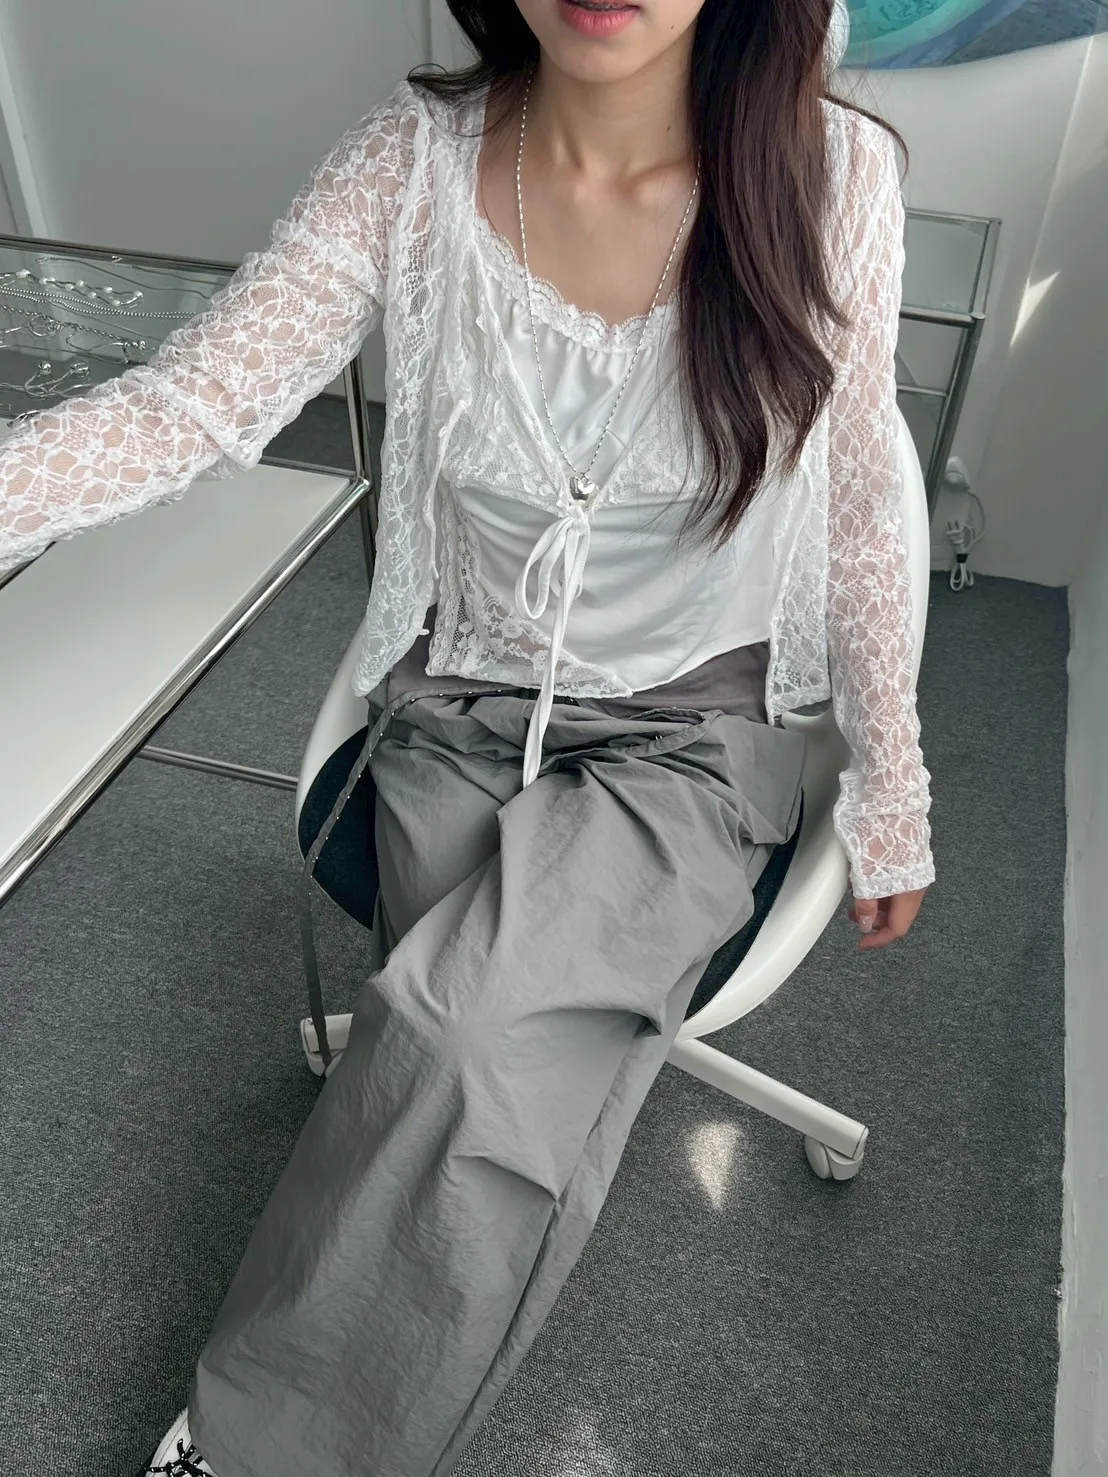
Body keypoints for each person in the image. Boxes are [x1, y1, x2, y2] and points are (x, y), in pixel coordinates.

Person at [0, 1, 935, 1474]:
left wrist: (891, 781)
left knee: (458, 1038)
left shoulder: (833, 176)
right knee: (464, 1068)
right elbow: (198, 402)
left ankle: (247, 1452)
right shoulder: (414, 158)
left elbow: (866, 496)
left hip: (690, 735)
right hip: (460, 702)